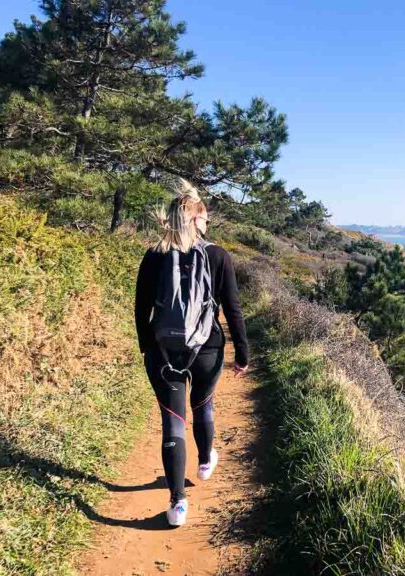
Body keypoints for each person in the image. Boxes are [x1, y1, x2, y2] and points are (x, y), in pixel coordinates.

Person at [134, 180, 249, 527]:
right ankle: (204, 461)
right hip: (207, 350)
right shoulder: (217, 255)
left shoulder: (153, 255)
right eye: (206, 219)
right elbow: (233, 308)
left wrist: (147, 346)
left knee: (173, 421)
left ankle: (177, 505)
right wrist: (242, 353)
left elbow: (141, 309)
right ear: (196, 220)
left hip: (162, 352)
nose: (207, 225)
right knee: (203, 405)